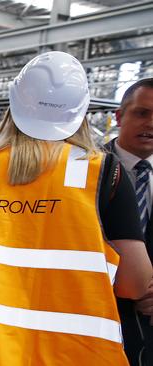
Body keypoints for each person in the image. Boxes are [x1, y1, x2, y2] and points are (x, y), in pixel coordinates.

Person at [0, 51, 152, 365]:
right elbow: (135, 282)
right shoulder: (103, 172)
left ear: (15, 102)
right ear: (81, 110)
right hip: (79, 353)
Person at [105, 77, 153, 365]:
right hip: (96, 316)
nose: (150, 124)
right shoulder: (84, 172)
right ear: (119, 116)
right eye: (142, 113)